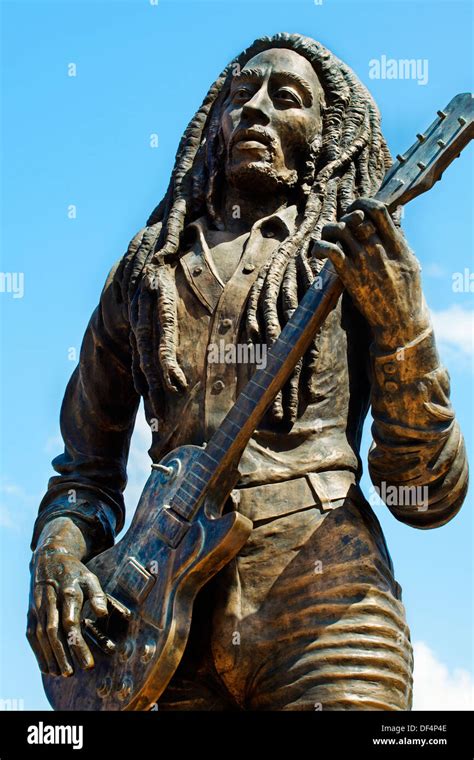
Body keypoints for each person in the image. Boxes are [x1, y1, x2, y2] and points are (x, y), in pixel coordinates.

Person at [27, 33, 468, 711]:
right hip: (157, 624)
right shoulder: (146, 272)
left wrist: (404, 322)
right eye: (242, 94)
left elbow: (428, 495)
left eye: (286, 99)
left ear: (327, 137)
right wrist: (55, 557)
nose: (257, 108)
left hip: (326, 603)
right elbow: (84, 472)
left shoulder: (352, 260)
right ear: (215, 124)